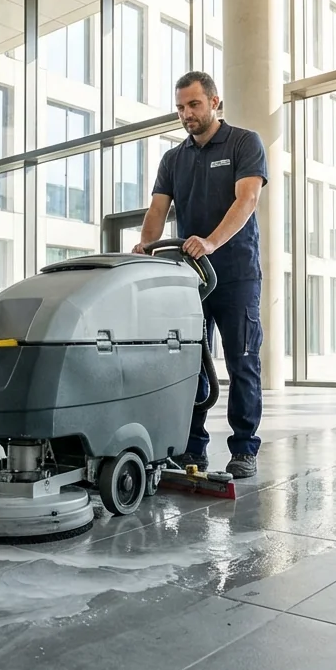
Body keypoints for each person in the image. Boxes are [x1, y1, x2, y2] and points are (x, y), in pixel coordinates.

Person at [133, 71, 267, 479]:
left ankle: (244, 448)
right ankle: (192, 449)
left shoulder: (245, 143)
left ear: (214, 102)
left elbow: (248, 199)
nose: (186, 114)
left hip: (237, 275)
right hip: (190, 279)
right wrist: (143, 248)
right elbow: (157, 211)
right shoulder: (175, 158)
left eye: (193, 104)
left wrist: (210, 242)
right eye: (180, 107)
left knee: (242, 361)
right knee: (190, 364)